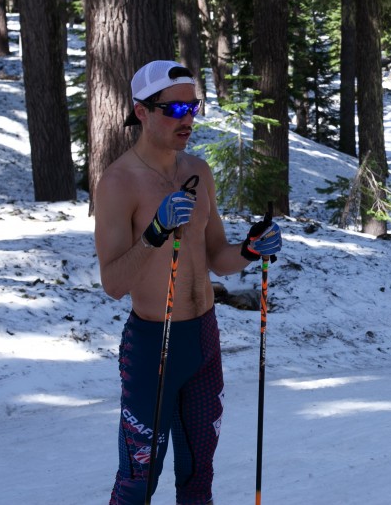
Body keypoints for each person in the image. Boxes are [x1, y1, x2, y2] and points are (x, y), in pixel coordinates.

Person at [95, 60, 284, 505]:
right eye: (174, 110)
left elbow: (218, 258)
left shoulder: (198, 170)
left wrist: (251, 248)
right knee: (138, 479)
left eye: (192, 107)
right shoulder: (119, 183)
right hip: (152, 346)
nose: (188, 119)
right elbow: (112, 282)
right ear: (141, 111)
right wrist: (155, 234)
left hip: (204, 338)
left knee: (199, 475)